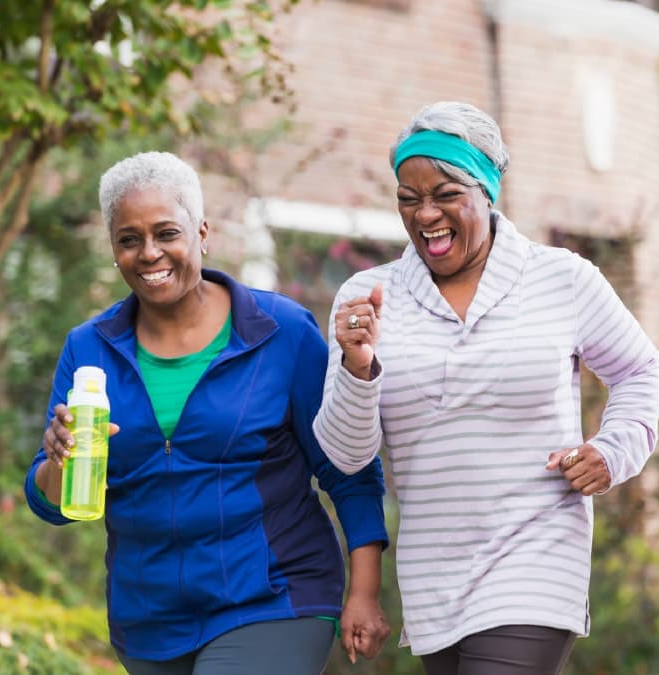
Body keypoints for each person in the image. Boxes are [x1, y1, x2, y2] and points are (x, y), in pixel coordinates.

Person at [313, 101, 659, 674]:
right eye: (408, 198)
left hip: (537, 555)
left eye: (446, 194)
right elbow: (348, 456)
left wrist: (612, 449)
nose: (425, 215)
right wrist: (357, 368)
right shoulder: (370, 296)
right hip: (435, 574)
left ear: (487, 190)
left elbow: (641, 371)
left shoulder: (562, 279)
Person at [24, 151, 390, 675]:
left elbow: (347, 466)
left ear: (201, 232)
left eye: (166, 233)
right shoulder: (89, 350)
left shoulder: (279, 331)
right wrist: (57, 461)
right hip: (150, 621)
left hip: (274, 598)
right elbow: (54, 504)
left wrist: (365, 589)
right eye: (129, 239)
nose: (149, 253)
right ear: (114, 249)